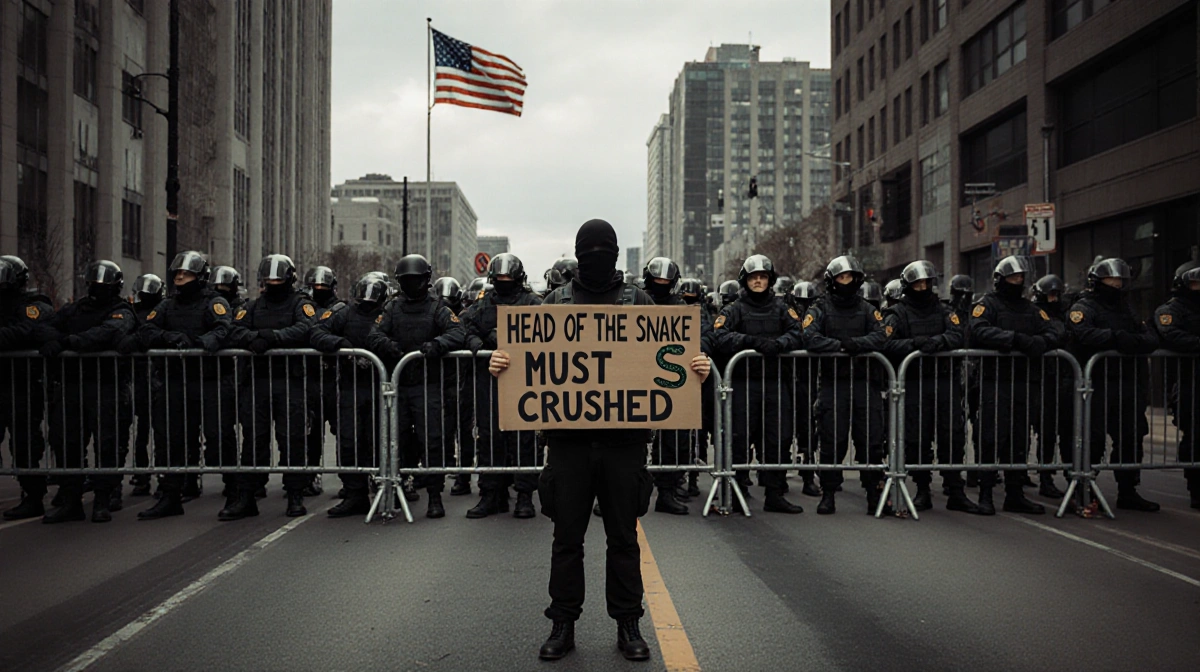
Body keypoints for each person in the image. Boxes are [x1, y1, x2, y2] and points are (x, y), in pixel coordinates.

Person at [492, 220, 707, 661]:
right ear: (578, 254)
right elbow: (528, 359)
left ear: (611, 256)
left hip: (624, 444)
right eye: (588, 253)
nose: (595, 260)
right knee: (566, 538)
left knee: (623, 538)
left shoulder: (638, 300)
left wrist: (695, 366)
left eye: (601, 253)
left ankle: (628, 623)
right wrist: (503, 364)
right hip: (568, 443)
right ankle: (563, 623)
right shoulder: (556, 301)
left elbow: (669, 356)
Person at [121, 251, 232, 519]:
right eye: (178, 273)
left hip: (208, 382)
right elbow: (145, 330)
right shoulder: (167, 306)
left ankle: (238, 495)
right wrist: (169, 337)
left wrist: (200, 344)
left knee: (219, 439)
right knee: (170, 440)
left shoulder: (214, 302)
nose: (180, 276)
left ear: (200, 276)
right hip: (174, 382)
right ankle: (170, 496)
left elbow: (223, 329)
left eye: (187, 273)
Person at [221, 254, 318, 520]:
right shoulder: (253, 306)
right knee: (253, 440)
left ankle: (295, 495)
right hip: (258, 382)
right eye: (268, 280)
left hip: (290, 381)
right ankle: (248, 496)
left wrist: (274, 337)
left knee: (292, 440)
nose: (272, 284)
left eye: (277, 279)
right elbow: (234, 330)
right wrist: (254, 339)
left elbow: (308, 327)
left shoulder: (301, 304)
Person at [38, 260, 136, 523]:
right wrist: (50, 340)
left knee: (107, 444)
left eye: (103, 284)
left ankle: (103, 499)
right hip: (72, 387)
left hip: (106, 386)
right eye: (94, 283)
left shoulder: (122, 310)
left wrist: (72, 341)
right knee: (66, 442)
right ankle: (71, 500)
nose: (97, 288)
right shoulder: (76, 309)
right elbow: (48, 324)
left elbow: (110, 331)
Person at [368, 254, 465, 519]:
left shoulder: (437, 308)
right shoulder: (392, 307)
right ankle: (395, 492)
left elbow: (458, 332)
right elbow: (374, 335)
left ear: (426, 280)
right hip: (399, 387)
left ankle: (435, 496)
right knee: (395, 440)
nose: (412, 285)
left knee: (432, 441)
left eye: (416, 280)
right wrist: (386, 345)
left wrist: (438, 345)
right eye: (407, 281)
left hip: (427, 387)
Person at [883, 261, 981, 514]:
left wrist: (937, 342)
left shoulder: (943, 310)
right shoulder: (899, 313)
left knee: (953, 435)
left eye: (927, 282)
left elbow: (958, 334)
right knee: (917, 438)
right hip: (914, 384)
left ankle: (955, 490)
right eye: (918, 283)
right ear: (908, 285)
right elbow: (887, 343)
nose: (923, 287)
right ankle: (922, 489)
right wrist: (915, 344)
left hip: (944, 382)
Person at [968, 256, 1061, 515]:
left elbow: (1052, 331)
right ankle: (986, 495)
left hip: (1023, 382)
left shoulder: (1030, 308)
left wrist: (1039, 343)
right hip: (994, 382)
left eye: (1020, 278)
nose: (1017, 282)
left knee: (1019, 440)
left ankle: (1015, 494)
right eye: (1012, 278)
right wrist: (1016, 339)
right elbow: (978, 330)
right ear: (1000, 279)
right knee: (991, 438)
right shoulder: (987, 304)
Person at [713, 254, 805, 514]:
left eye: (763, 277)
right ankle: (737, 489)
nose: (758, 281)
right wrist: (750, 342)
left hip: (774, 383)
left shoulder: (781, 308)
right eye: (754, 277)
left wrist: (778, 345)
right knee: (739, 437)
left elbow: (798, 334)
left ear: (770, 280)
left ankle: (774, 493)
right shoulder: (735, 309)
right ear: (745, 280)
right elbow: (720, 336)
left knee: (778, 438)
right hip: (743, 384)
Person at [1068, 258, 1160, 512]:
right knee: (1093, 439)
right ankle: (1084, 490)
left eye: (1121, 280)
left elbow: (1150, 338)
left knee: (1130, 437)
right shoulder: (1084, 307)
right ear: (1098, 282)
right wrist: (1116, 338)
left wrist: (1128, 341)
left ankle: (1128, 490)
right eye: (1112, 280)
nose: (1117, 284)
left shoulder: (1127, 310)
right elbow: (1083, 334)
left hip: (1127, 384)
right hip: (1097, 384)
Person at [803, 255, 889, 515]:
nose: (846, 282)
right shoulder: (820, 308)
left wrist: (858, 345)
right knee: (832, 442)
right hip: (833, 385)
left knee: (871, 442)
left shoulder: (866, 309)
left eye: (850, 277)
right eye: (841, 277)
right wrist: (840, 346)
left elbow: (881, 336)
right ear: (832, 281)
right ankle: (828, 494)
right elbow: (809, 337)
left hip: (864, 385)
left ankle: (874, 494)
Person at [461, 253, 542, 519]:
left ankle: (524, 496)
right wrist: (479, 345)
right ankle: (491, 494)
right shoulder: (484, 304)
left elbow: (549, 334)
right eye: (500, 279)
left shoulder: (532, 303)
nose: (504, 283)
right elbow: (464, 327)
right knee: (488, 437)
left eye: (508, 279)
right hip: (490, 381)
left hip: (523, 381)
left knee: (523, 439)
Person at [310, 273, 391, 518]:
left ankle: (384, 488)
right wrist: (339, 343)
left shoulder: (389, 313)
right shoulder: (345, 313)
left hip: (381, 386)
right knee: (348, 439)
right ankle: (355, 493)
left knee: (380, 438)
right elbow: (316, 332)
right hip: (350, 386)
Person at [0, 256, 54, 520]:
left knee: (25, 444)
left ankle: (33, 497)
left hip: (22, 385)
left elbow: (27, 330)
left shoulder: (34, 304)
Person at [1155, 261, 1200, 509]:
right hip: (1187, 381)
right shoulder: (1171, 309)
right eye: (1195, 282)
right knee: (1195, 434)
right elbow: (1171, 334)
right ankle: (1196, 486)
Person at [301, 266, 345, 498]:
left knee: (344, 431)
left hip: (335, 378)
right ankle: (311, 475)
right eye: (315, 286)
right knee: (311, 431)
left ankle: (350, 479)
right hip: (311, 378)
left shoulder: (341, 309)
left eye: (323, 287)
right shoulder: (303, 308)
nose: (319, 290)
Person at [1031, 275, 1072, 498]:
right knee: (1047, 432)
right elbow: (1055, 335)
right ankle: (1046, 478)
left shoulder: (1066, 312)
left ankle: (1071, 477)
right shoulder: (1035, 312)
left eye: (1057, 294)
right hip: (1044, 380)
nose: (1054, 299)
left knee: (1068, 432)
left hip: (1066, 378)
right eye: (1050, 295)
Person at [124, 274, 164, 498]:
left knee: (158, 432)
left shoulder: (163, 310)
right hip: (139, 379)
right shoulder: (132, 312)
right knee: (142, 434)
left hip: (157, 379)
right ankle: (142, 475)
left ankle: (158, 475)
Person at [789, 280, 822, 498]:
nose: (804, 306)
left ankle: (809, 477)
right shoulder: (787, 313)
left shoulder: (819, 314)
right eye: (801, 302)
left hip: (809, 380)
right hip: (786, 379)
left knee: (808, 430)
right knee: (781, 430)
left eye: (808, 302)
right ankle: (776, 479)